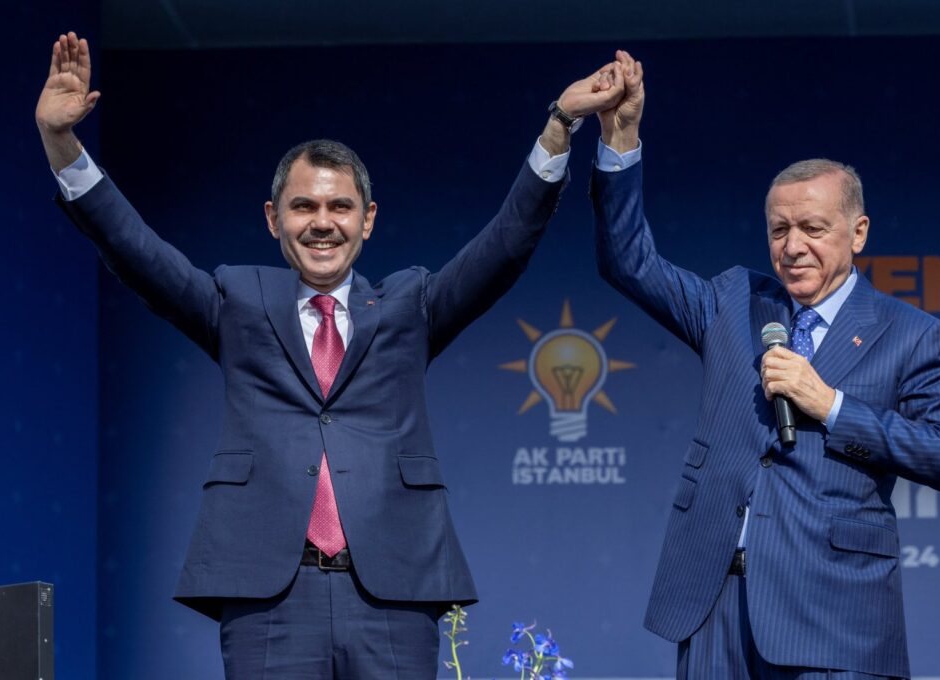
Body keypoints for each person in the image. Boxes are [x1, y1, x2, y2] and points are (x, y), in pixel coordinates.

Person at [36, 32, 626, 679]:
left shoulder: (410, 304)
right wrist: (64, 146)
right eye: (304, 206)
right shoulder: (238, 298)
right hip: (270, 600)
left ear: (367, 219)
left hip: (393, 597)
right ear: (273, 219)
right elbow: (138, 254)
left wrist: (561, 122)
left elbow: (506, 244)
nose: (323, 222)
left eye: (340, 206)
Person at [590, 51, 940, 679]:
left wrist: (832, 406)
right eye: (779, 229)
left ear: (858, 233)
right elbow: (628, 260)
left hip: (834, 615)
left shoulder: (911, 334)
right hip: (715, 610)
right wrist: (622, 137)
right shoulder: (733, 300)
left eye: (813, 229)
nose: (792, 247)